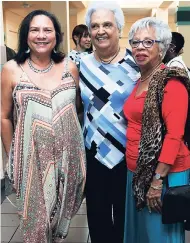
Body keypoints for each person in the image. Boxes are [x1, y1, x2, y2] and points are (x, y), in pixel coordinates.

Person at [1, 9, 86, 242]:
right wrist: (13, 155)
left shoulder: (70, 68)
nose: (41, 35)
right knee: (35, 225)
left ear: (56, 36)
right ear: (26, 36)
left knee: (61, 219)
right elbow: (4, 117)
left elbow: (76, 109)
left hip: (69, 160)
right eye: (34, 30)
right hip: (30, 160)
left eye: (47, 30)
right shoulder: (11, 69)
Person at [123, 17, 190, 243]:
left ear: (162, 48)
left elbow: (174, 136)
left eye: (148, 42)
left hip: (163, 176)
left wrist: (156, 181)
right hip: (138, 173)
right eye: (135, 42)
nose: (140, 48)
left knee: (160, 238)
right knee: (142, 236)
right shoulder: (140, 79)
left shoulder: (171, 83)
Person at [79, 2, 140, 243]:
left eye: (107, 24)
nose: (100, 30)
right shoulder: (79, 65)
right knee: (98, 218)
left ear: (119, 29)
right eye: (94, 26)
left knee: (127, 220)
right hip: (92, 155)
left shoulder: (137, 64)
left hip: (129, 155)